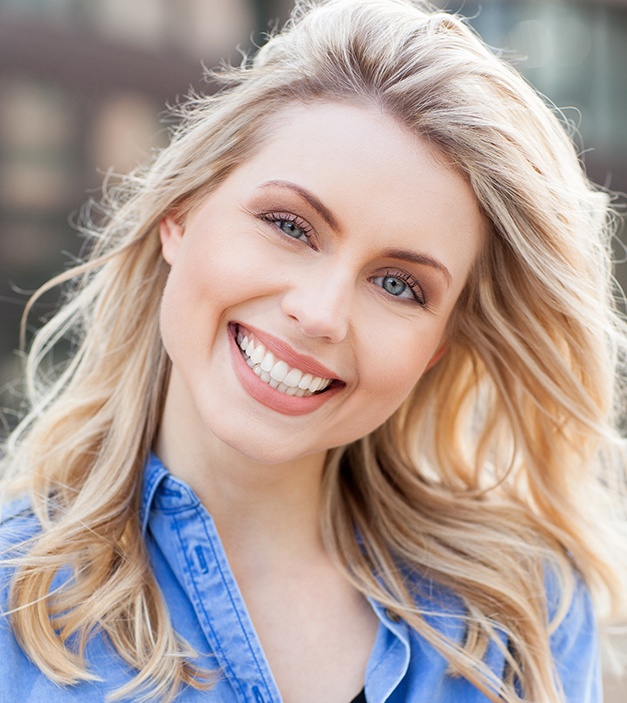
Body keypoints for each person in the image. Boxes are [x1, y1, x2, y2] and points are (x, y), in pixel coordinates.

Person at [1, 0, 626, 701]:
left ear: (434, 347)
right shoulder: (10, 612)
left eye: (398, 285)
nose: (321, 314)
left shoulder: (522, 617)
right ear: (180, 213)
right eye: (289, 225)